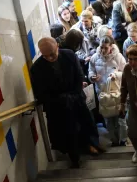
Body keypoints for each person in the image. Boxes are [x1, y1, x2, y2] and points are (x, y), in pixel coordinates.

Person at [30, 37, 102, 168]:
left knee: (86, 122)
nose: (50, 58)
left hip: (76, 98)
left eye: (52, 54)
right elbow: (40, 92)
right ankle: (74, 157)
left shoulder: (69, 55)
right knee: (67, 132)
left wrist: (73, 95)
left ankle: (91, 145)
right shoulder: (37, 68)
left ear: (57, 46)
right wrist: (61, 99)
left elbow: (79, 76)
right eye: (45, 56)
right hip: (58, 106)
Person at [89, 36, 126, 147]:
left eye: (106, 48)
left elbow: (125, 72)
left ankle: (123, 139)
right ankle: (113, 140)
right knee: (108, 118)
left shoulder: (118, 57)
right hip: (102, 92)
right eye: (101, 47)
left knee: (120, 118)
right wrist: (92, 77)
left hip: (116, 92)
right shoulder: (95, 57)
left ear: (111, 47)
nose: (103, 50)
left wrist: (116, 75)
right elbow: (91, 70)